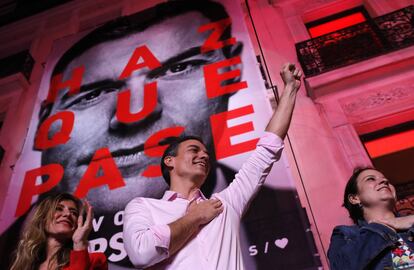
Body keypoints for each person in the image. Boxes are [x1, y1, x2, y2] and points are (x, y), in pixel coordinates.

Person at [123, 63, 302, 269]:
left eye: (206, 153)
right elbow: (141, 254)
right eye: (194, 150)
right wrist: (195, 217)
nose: (203, 156)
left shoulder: (226, 203)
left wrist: (290, 90)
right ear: (169, 160)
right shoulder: (143, 207)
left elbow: (267, 150)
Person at [328, 167, 414, 270]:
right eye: (370, 179)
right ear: (355, 198)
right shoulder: (345, 234)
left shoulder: (411, 221)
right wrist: (382, 228)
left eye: (386, 179)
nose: (384, 181)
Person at [10, 193, 107, 270]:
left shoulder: (95, 261)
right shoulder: (25, 265)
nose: (67, 214)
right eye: (58, 209)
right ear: (43, 219)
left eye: (74, 212)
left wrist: (79, 243)